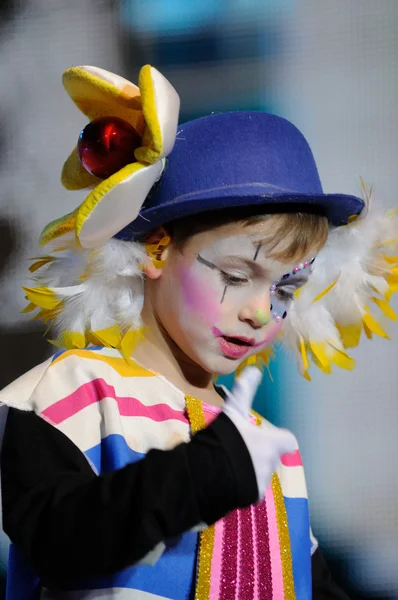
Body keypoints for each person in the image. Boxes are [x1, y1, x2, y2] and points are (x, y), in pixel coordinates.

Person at [0, 64, 396, 600]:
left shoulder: (266, 447)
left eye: (284, 290)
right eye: (236, 276)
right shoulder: (62, 399)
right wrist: (202, 473)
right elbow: (60, 540)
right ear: (156, 249)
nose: (261, 311)